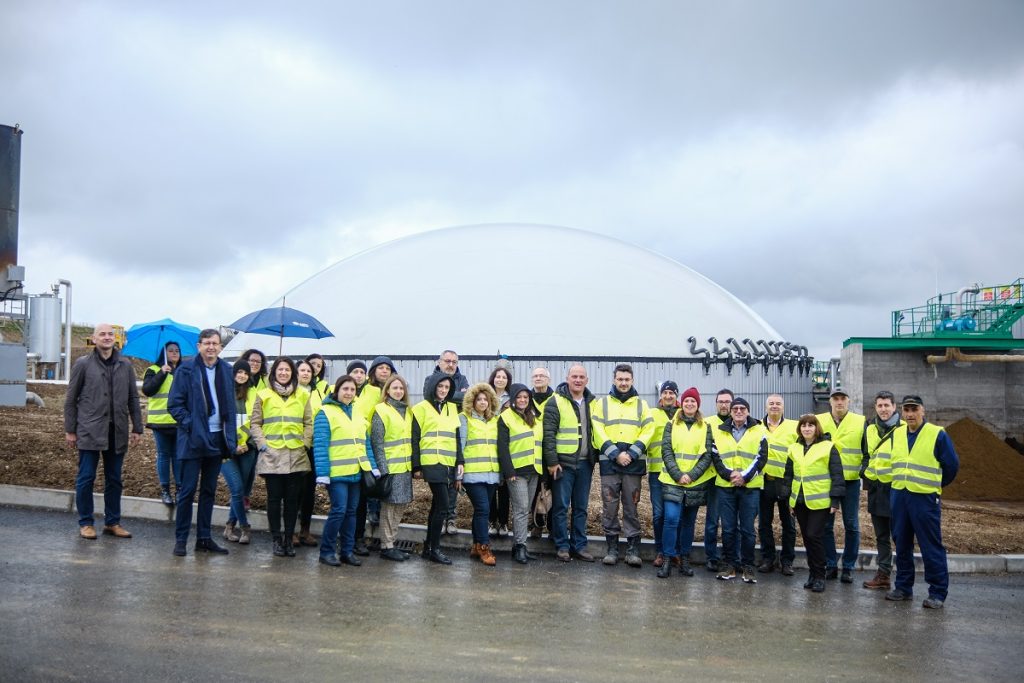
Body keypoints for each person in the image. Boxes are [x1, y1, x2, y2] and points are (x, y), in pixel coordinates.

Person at [64, 323, 143, 540]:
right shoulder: (83, 364)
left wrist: (137, 427)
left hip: (117, 431)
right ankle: (86, 523)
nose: (107, 337)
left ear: (115, 339)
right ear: (94, 339)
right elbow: (71, 399)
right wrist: (70, 430)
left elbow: (133, 397)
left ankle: (112, 522)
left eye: (110, 334)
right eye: (102, 334)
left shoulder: (125, 365)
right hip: (89, 430)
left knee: (114, 479)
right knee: (86, 477)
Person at [166, 329, 237, 556]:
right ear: (199, 346)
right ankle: (181, 540)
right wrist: (191, 425)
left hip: (217, 438)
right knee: (187, 491)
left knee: (209, 491)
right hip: (192, 439)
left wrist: (231, 437)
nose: (211, 347)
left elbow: (231, 407)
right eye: (207, 343)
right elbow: (174, 404)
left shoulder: (227, 370)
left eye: (215, 343)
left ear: (220, 347)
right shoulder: (186, 369)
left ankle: (204, 539)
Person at [885, 395, 959, 609]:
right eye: (906, 410)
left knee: (930, 545)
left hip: (924, 498)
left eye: (914, 409)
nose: (910, 414)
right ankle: (903, 587)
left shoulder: (937, 434)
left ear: (922, 411)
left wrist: (935, 484)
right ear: (902, 411)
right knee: (901, 543)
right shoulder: (897, 434)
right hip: (900, 495)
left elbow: (951, 466)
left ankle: (937, 592)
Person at [592, 363, 654, 567]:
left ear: (632, 380)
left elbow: (648, 430)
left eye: (627, 379)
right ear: (614, 380)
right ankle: (612, 549)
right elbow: (597, 429)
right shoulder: (602, 403)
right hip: (610, 464)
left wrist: (632, 453)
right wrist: (615, 454)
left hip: (633, 465)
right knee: (609, 507)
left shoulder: (642, 405)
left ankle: (633, 550)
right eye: (620, 379)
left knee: (631, 507)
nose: (623, 383)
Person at [250, 357, 313, 558]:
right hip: (272, 454)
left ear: (292, 373)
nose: (284, 373)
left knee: (292, 500)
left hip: (296, 454)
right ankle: (276, 539)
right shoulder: (264, 395)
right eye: (280, 369)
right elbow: (255, 423)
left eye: (287, 370)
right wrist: (262, 444)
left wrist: (305, 443)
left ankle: (288, 539)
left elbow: (309, 422)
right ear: (274, 373)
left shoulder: (303, 394)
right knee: (274, 499)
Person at [314, 375, 378, 567]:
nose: (349, 393)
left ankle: (347, 551)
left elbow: (365, 443)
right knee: (339, 511)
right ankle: (326, 551)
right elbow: (320, 445)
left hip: (356, 471)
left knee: (351, 512)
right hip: (336, 473)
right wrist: (322, 473)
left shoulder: (358, 412)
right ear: (337, 391)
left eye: (352, 390)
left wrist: (372, 466)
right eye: (345, 389)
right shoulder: (325, 412)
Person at [657, 387, 716, 578]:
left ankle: (685, 559)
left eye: (693, 401)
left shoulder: (705, 427)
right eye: (687, 401)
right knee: (671, 519)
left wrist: (691, 475)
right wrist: (678, 475)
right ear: (681, 404)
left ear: (698, 405)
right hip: (672, 480)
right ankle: (668, 559)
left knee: (689, 523)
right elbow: (666, 451)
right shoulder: (671, 424)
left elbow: (707, 455)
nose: (690, 404)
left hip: (695, 483)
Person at [542, 364, 597, 562]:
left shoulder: (593, 402)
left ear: (587, 380)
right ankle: (562, 546)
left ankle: (579, 545)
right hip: (563, 464)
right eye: (574, 376)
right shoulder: (555, 401)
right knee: (561, 507)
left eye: (581, 377)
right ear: (567, 379)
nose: (578, 380)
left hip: (585, 464)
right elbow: (548, 434)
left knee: (581, 507)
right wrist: (552, 462)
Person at [785, 414, 845, 593]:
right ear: (799, 429)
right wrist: (789, 500)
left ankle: (820, 575)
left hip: (820, 501)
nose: (807, 429)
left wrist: (835, 500)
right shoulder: (794, 448)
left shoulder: (828, 447)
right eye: (803, 426)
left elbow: (837, 475)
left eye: (810, 425)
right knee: (806, 538)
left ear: (816, 428)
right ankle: (812, 574)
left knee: (814, 536)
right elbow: (789, 475)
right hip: (799, 500)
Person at [711, 397, 768, 584]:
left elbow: (761, 457)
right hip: (726, 487)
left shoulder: (759, 430)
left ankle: (748, 565)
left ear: (748, 411)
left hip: (749, 487)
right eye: (735, 408)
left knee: (747, 530)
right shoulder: (719, 430)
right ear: (730, 411)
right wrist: (730, 475)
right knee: (728, 529)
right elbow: (716, 457)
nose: (738, 411)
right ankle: (729, 564)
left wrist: (745, 476)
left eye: (742, 408)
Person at [412, 371, 464, 564]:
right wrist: (416, 466)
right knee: (443, 505)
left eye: (447, 387)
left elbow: (456, 438)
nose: (443, 390)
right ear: (433, 386)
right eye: (440, 386)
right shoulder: (420, 408)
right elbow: (414, 438)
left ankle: (428, 547)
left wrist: (460, 461)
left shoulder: (452, 408)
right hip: (431, 462)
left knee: (437, 507)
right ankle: (435, 549)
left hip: (448, 463)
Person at [817, 388, 867, 583]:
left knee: (851, 525)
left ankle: (848, 567)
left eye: (842, 399)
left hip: (850, 481)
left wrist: (863, 472)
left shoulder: (860, 421)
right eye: (835, 399)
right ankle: (830, 564)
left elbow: (867, 451)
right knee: (826, 525)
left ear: (848, 401)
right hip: (827, 480)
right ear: (830, 402)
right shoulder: (819, 420)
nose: (839, 402)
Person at [423, 350, 471, 535]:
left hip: (455, 430)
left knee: (454, 478)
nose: (451, 364)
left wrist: (455, 395)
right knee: (440, 486)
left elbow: (467, 398)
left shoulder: (462, 378)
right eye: (447, 361)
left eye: (454, 362)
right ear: (439, 361)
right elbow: (430, 396)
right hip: (436, 438)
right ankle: (440, 520)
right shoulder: (430, 379)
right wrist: (457, 394)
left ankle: (450, 518)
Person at [370, 375, 415, 561]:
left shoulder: (408, 411)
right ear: (387, 390)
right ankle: (386, 546)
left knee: (400, 506)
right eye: (395, 388)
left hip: (405, 466)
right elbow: (377, 442)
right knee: (389, 508)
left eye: (401, 388)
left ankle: (392, 542)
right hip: (390, 467)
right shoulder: (381, 410)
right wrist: (383, 469)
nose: (398, 391)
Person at [861, 390, 903, 590]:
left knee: (900, 536)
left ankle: (903, 579)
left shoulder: (904, 429)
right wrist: (865, 472)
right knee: (881, 536)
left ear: (894, 407)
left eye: (887, 405)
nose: (883, 409)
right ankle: (884, 574)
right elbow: (866, 454)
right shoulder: (870, 428)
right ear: (875, 407)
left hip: (896, 490)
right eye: (880, 405)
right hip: (876, 490)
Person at [499, 383, 542, 563]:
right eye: (519, 397)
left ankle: (519, 546)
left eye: (526, 397)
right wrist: (508, 471)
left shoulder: (534, 417)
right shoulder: (505, 417)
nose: (523, 400)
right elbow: (502, 447)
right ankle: (520, 547)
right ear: (513, 399)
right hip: (516, 472)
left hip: (534, 470)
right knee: (522, 508)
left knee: (525, 509)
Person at [758, 394, 799, 575]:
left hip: (785, 483)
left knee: (788, 524)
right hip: (764, 482)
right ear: (766, 407)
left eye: (778, 404)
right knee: (764, 523)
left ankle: (787, 561)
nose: (774, 406)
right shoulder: (756, 427)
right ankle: (768, 559)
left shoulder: (794, 427)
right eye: (771, 403)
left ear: (783, 407)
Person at [460, 383, 501, 566]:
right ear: (472, 401)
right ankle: (484, 547)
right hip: (473, 474)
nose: (483, 402)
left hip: (492, 473)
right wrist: (458, 472)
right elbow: (460, 445)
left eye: (486, 399)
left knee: (481, 510)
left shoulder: (494, 420)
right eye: (479, 399)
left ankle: (476, 545)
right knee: (483, 509)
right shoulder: (464, 418)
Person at [221, 359, 257, 545]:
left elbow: (259, 422)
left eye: (245, 372)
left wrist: (249, 444)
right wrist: (231, 446)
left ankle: (229, 526)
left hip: (248, 449)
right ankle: (245, 527)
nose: (242, 375)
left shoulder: (254, 394)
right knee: (236, 488)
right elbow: (218, 424)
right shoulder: (223, 393)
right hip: (226, 451)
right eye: (239, 372)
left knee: (240, 491)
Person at [142, 341, 182, 506]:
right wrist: (162, 373)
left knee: (178, 456)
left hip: (179, 422)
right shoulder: (153, 370)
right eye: (170, 350)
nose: (174, 353)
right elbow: (148, 390)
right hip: (160, 423)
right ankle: (165, 490)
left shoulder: (183, 371)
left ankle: (179, 489)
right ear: (164, 353)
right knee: (164, 455)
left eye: (177, 350)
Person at [702, 388, 734, 572]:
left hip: (734, 479)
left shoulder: (739, 423)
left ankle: (731, 557)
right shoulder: (708, 423)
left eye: (727, 401)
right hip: (714, 478)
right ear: (716, 404)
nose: (724, 405)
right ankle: (711, 557)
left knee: (732, 523)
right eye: (720, 401)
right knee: (712, 520)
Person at [648, 381, 678, 568]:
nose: (668, 396)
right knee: (659, 514)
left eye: (671, 393)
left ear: (676, 396)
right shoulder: (652, 414)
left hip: (677, 473)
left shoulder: (682, 414)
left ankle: (673, 551)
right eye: (665, 393)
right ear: (660, 396)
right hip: (657, 471)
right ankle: (660, 550)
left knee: (674, 515)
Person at [295, 359, 324, 547]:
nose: (306, 373)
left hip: (313, 446)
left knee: (309, 491)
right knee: (294, 489)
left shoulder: (317, 393)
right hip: (294, 446)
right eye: (302, 370)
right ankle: (291, 529)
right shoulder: (291, 392)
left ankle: (305, 529)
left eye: (309, 371)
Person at [528, 367, 554, 540]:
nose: (538, 378)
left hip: (552, 452)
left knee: (553, 490)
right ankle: (536, 524)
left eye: (542, 376)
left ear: (548, 379)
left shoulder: (556, 399)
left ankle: (552, 527)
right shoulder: (526, 399)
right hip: (532, 452)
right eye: (535, 376)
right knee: (535, 490)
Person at [487, 366, 513, 539]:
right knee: (490, 485)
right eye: (498, 376)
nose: (500, 380)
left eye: (504, 377)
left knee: (504, 487)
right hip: (488, 444)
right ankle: (491, 520)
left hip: (506, 444)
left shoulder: (512, 398)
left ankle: (503, 522)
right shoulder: (486, 395)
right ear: (493, 379)